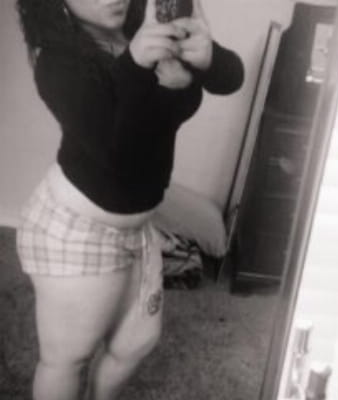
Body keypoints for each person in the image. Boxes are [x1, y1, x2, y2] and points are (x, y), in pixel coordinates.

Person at [15, 0, 244, 399]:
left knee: (136, 342)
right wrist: (138, 67)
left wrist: (210, 57)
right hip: (77, 227)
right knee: (67, 357)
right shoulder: (57, 63)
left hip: (136, 226)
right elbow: (119, 155)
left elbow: (231, 79)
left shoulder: (146, 26)